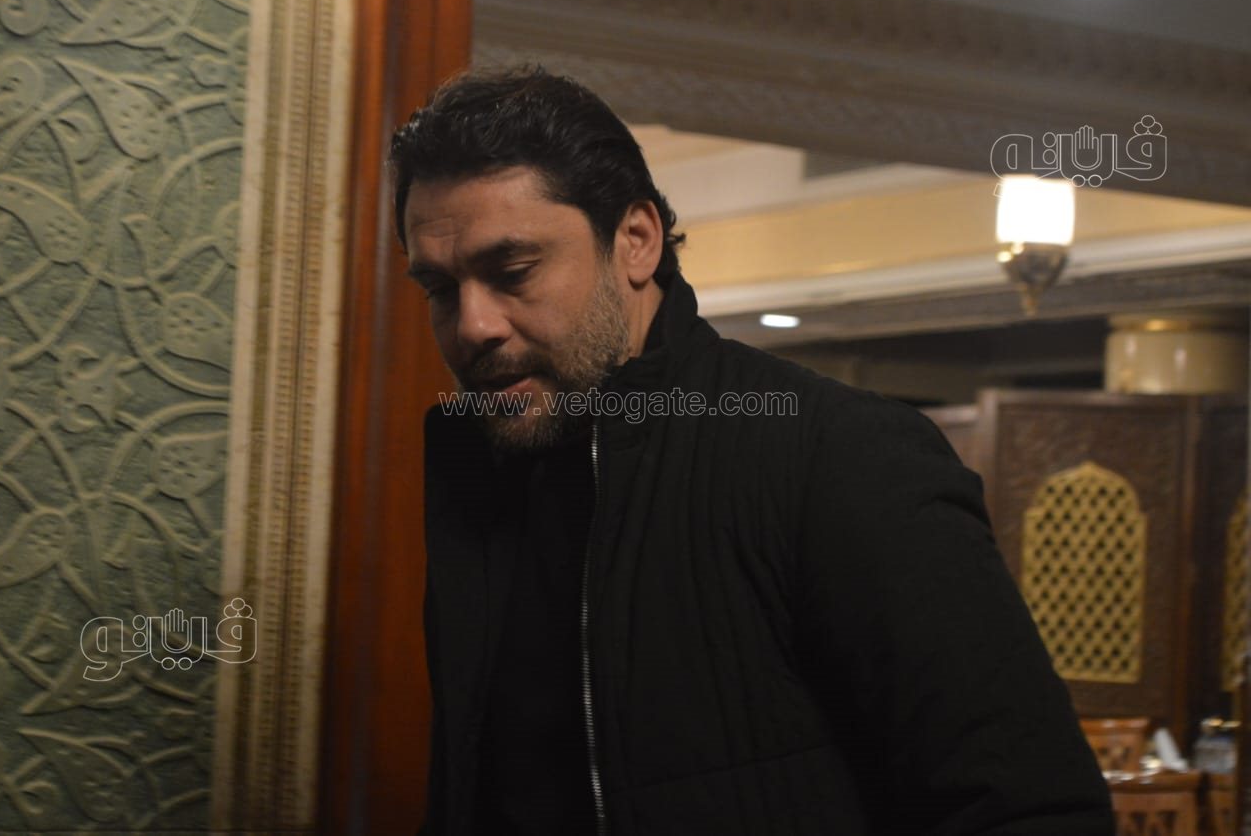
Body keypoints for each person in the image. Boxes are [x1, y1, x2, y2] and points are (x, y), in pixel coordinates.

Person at [393, 65, 1114, 835]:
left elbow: (1032, 809)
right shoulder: (482, 477)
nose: (472, 325)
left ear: (635, 241)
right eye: (440, 288)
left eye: (512, 272)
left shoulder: (836, 454)